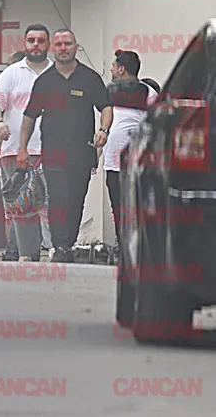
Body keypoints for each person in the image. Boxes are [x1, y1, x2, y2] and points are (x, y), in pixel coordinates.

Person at [18, 29, 113, 263]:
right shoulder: (44, 81)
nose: (63, 48)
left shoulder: (90, 78)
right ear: (53, 48)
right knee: (58, 197)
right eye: (59, 44)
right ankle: (60, 246)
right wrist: (22, 148)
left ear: (75, 47)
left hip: (82, 152)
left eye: (67, 44)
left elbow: (106, 107)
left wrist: (103, 130)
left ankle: (68, 244)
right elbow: (29, 116)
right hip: (53, 152)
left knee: (75, 199)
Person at [0, 26, 53, 262]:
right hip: (14, 149)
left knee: (52, 205)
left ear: (48, 44)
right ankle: (25, 256)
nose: (36, 45)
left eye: (41, 40)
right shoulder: (12, 73)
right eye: (31, 40)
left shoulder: (56, 73)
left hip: (50, 150)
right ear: (25, 43)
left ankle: (56, 252)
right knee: (21, 207)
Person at [102, 50, 159, 241]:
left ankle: (143, 250)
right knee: (118, 210)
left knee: (138, 210)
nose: (111, 69)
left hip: (137, 164)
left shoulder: (148, 93)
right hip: (112, 164)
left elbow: (157, 124)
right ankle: (124, 250)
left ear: (122, 69)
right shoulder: (110, 92)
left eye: (113, 66)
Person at [0, 50, 24, 261]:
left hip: (34, 155)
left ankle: (31, 248)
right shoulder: (2, 98)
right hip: (8, 157)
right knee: (11, 208)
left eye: (10, 65)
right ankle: (13, 250)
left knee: (33, 206)